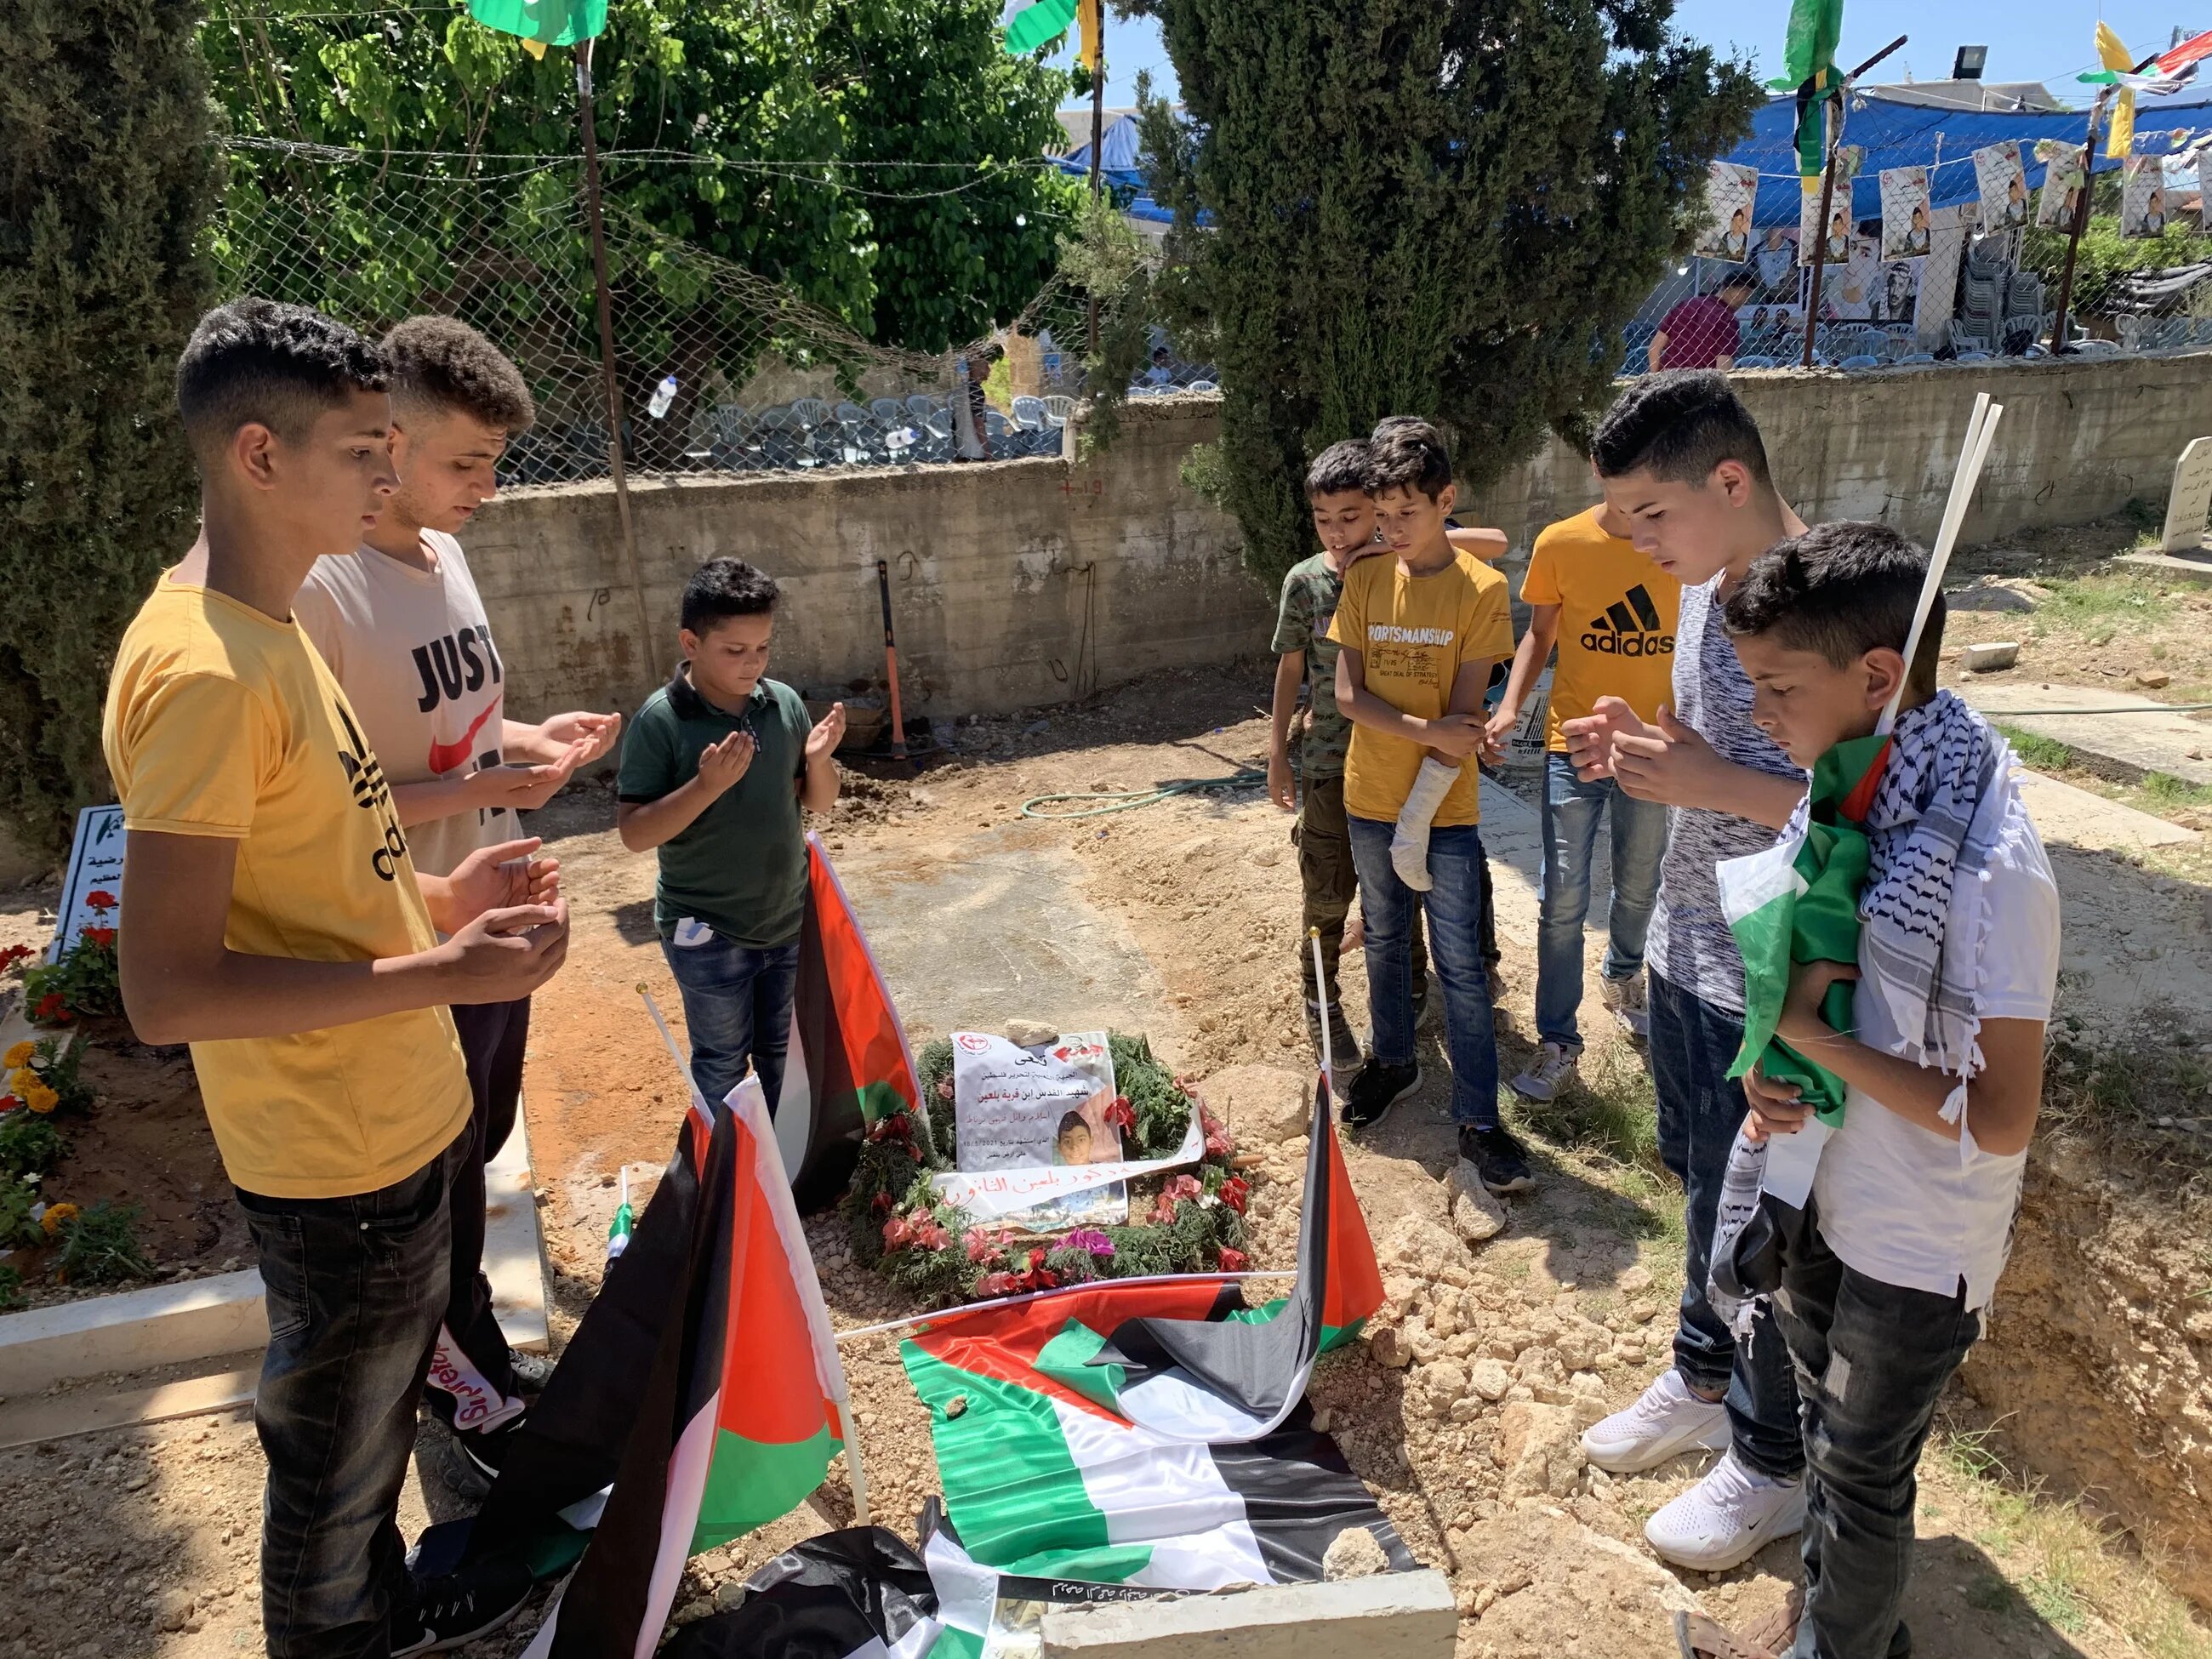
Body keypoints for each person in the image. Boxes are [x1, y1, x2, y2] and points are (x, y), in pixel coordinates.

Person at [105, 298, 567, 1656]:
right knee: (333, 1471)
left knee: (363, 1445)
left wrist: (449, 892)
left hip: (387, 1120)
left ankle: (387, 1606)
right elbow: (169, 989)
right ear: (259, 454)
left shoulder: (271, 621)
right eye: (367, 449)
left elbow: (323, 877)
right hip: (332, 1158)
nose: (390, 477)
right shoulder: (201, 669)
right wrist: (439, 963)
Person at [1679, 522, 2058, 1659]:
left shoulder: (1993, 866)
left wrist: (1812, 1039)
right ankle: (1836, 1625)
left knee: (1862, 1460)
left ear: (1879, 677)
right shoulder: (1844, 806)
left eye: (1779, 687)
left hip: (1918, 1236)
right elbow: (1799, 992)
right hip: (1822, 1189)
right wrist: (1774, 1067)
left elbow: (2000, 1115)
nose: (1759, 717)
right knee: (1825, 1434)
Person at [293, 316, 622, 1478]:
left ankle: (472, 1343)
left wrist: (534, 741)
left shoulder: (447, 550)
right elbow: (310, 795)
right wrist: (487, 775)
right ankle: (463, 1391)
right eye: (466, 462)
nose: (488, 486)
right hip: (415, 925)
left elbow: (456, 725)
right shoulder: (323, 591)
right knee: (427, 1170)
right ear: (389, 444)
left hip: (495, 903)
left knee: (478, 1146)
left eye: (496, 462)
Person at [1559, 372, 1811, 1571]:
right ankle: (1702, 1378)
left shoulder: (1845, 605)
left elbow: (1870, 808)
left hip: (1780, 970)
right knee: (1707, 1188)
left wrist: (1710, 784)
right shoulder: (1705, 590)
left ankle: (1772, 1462)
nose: (1632, 542)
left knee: (1762, 1217)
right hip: (1690, 945)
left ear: (1729, 480)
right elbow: (1718, 754)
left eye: (1648, 515)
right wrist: (1644, 749)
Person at [1326, 420, 1531, 1197]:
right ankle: (1396, 1064)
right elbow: (1350, 696)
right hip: (1367, 798)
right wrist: (1423, 731)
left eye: (1407, 514)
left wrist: (1419, 816)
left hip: (1442, 810)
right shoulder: (1369, 579)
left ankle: (1480, 1117)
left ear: (1446, 501)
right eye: (1383, 519)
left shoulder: (1481, 591)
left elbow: (1463, 726)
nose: (1392, 531)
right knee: (1382, 936)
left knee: (1460, 964)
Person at [617, 559, 844, 1111]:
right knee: (721, 1062)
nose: (752, 664)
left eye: (763, 648)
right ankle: (727, 1183)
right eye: (734, 650)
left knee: (783, 1055)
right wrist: (705, 786)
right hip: (708, 935)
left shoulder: (782, 704)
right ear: (691, 642)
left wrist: (818, 762)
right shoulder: (662, 720)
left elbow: (818, 802)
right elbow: (634, 833)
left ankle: (780, 1175)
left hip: (786, 923)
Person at [1486, 485, 1678, 1103]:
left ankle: (1623, 978)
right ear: (1600, 468)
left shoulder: (1682, 543)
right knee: (1562, 893)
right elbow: (1539, 636)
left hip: (1652, 745)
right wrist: (1512, 706)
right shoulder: (1562, 543)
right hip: (1575, 745)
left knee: (1641, 877)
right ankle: (1559, 1040)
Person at [1268, 439, 1427, 1069]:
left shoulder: (1405, 569)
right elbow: (1289, 669)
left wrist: (1382, 551)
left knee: (1399, 882)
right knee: (1328, 891)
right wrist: (1278, 753)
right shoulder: (1305, 582)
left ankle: (1411, 983)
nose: (1337, 533)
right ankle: (1321, 997)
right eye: (1324, 520)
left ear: (1380, 514)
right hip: (1330, 763)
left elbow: (1476, 548)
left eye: (1352, 518)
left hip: (1397, 761)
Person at [1650, 269, 1757, 373]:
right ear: (1743, 293)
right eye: (1747, 296)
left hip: (1667, 381)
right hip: (1699, 385)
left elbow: (1653, 349)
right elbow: (1723, 369)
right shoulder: (1727, 320)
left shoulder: (1685, 305)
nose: (1745, 302)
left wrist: (1656, 379)